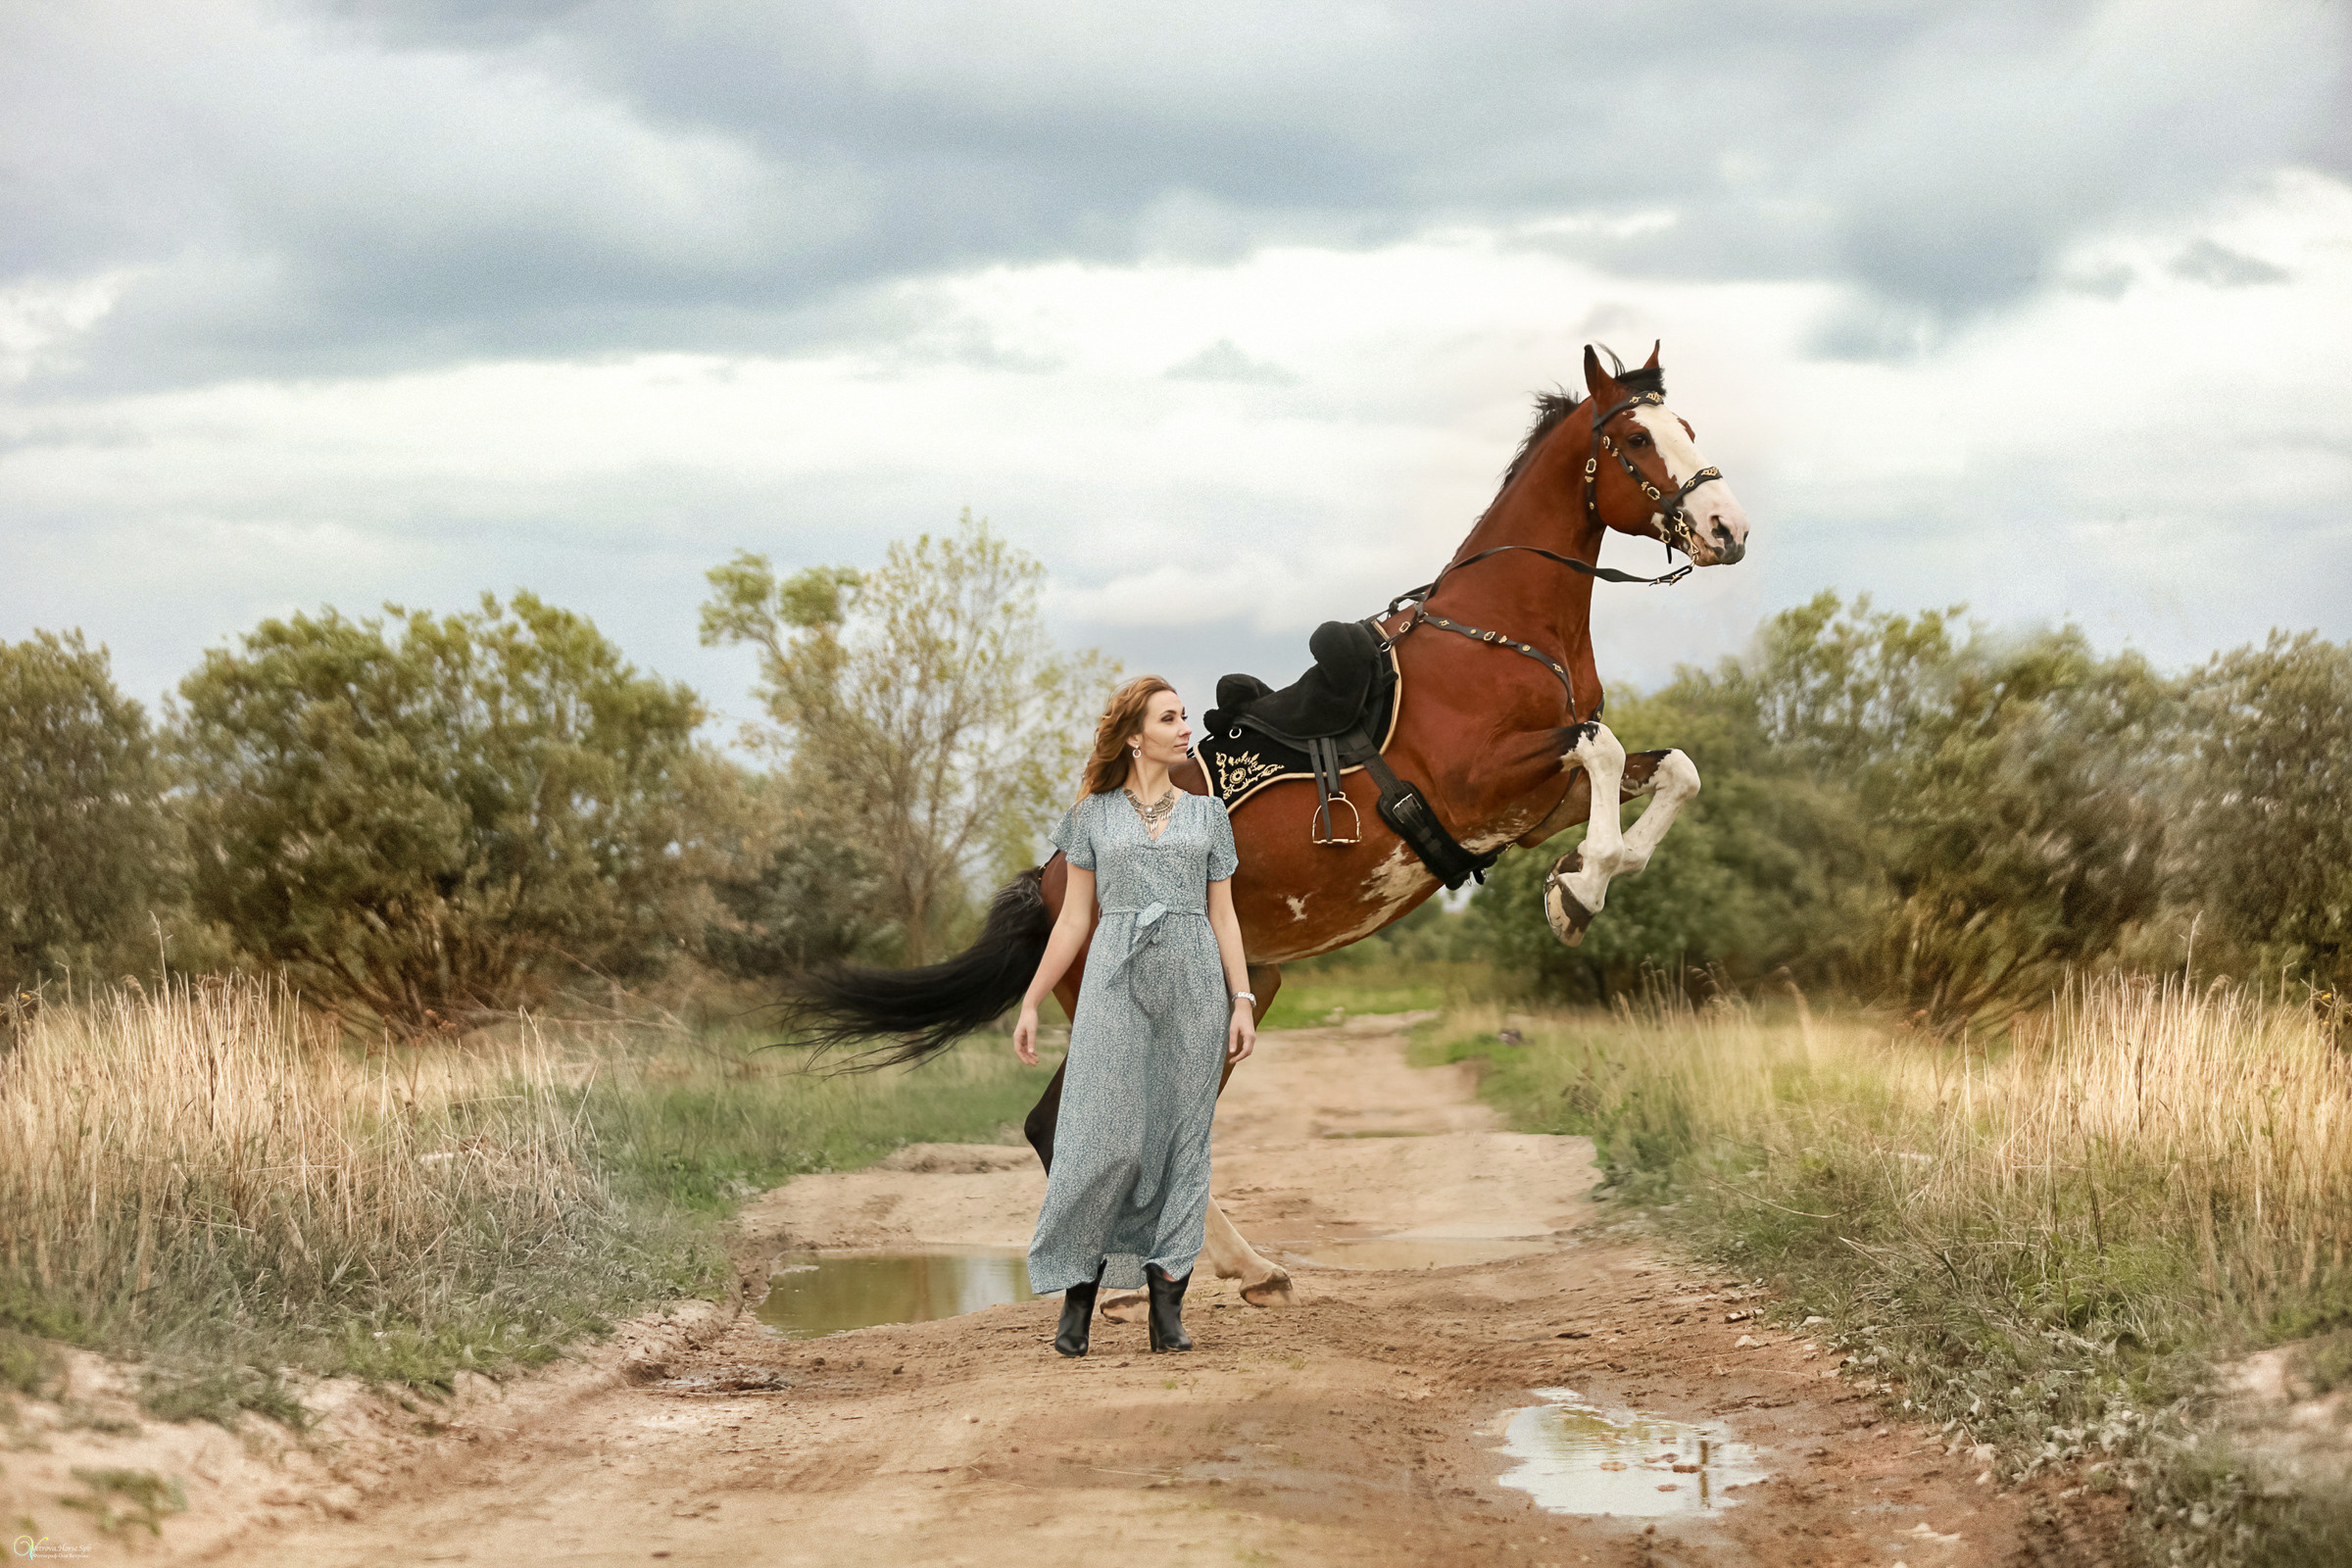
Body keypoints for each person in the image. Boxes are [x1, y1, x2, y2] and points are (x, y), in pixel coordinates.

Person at [1013, 675, 1257, 1357]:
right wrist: (1032, 1000)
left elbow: (1224, 916)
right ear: (1133, 736)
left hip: (1194, 983)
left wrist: (1242, 999)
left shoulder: (1209, 816)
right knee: (1102, 1140)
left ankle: (1166, 1309)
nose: (1185, 730)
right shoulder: (1091, 816)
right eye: (1169, 719)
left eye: (1184, 717)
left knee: (1182, 1143)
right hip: (1114, 981)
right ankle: (1078, 1296)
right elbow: (1073, 920)